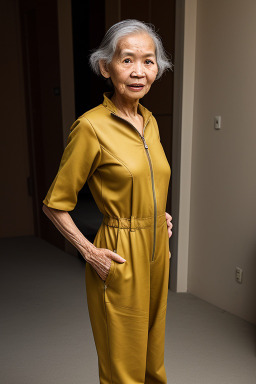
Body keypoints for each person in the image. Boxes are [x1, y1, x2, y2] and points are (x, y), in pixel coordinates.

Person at [42, 19, 173, 384]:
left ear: (157, 70)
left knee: (152, 362)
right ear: (105, 66)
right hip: (119, 252)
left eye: (148, 61)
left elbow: (146, 179)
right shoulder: (90, 127)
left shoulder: (149, 122)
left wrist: (156, 213)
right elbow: (55, 203)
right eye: (127, 60)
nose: (138, 72)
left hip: (157, 250)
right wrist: (89, 251)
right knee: (123, 368)